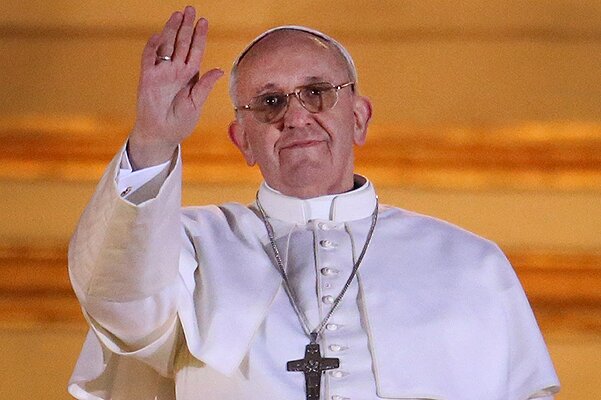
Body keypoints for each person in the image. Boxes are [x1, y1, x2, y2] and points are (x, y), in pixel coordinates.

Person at [67, 6, 560, 400]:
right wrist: (152, 139)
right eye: (270, 102)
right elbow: (120, 305)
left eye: (317, 92)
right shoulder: (189, 246)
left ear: (360, 119)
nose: (296, 117)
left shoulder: (470, 264)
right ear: (243, 141)